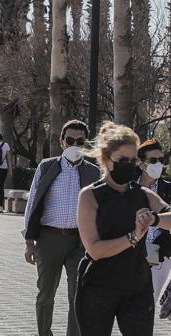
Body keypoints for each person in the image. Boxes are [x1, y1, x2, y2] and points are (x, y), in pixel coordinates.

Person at [75, 121, 171, 335]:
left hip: (137, 286)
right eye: (123, 160)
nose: (130, 165)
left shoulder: (141, 194)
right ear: (106, 159)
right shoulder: (90, 196)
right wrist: (134, 237)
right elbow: (95, 250)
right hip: (98, 286)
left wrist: (154, 220)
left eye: (134, 160)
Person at [23, 119, 100, 336]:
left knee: (78, 296)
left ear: (86, 144)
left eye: (80, 141)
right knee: (45, 295)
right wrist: (29, 242)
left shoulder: (94, 172)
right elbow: (32, 203)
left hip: (79, 242)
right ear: (61, 141)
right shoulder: (47, 167)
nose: (74, 144)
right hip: (49, 239)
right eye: (70, 140)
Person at [136, 139, 171, 304]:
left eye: (162, 160)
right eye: (153, 160)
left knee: (147, 304)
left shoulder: (168, 189)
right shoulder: (128, 187)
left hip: (158, 254)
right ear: (141, 164)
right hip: (130, 251)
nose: (159, 164)